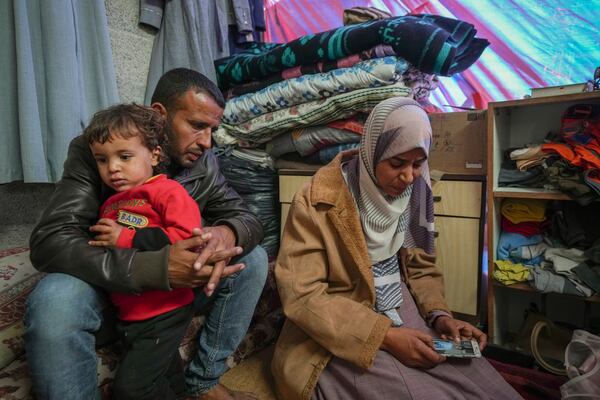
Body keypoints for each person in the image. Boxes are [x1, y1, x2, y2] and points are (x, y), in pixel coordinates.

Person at [25, 68, 268, 400]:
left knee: (251, 258)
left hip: (172, 295)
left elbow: (245, 217)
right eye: (197, 126)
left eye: (213, 129)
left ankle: (202, 382)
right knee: (55, 300)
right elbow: (50, 241)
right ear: (160, 115)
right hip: (111, 283)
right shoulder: (97, 148)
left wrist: (227, 231)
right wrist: (156, 267)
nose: (208, 141)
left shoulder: (203, 162)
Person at [272, 97, 523, 400]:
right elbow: (303, 296)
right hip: (340, 320)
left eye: (418, 164)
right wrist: (384, 337)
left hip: (397, 301)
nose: (408, 176)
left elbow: (420, 265)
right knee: (412, 389)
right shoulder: (316, 200)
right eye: (396, 163)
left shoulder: (415, 191)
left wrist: (441, 317)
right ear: (372, 151)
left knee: (476, 379)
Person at [84, 103, 201, 399]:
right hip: (130, 312)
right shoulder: (111, 202)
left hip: (163, 310)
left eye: (124, 157)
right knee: (168, 377)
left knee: (131, 389)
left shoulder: (167, 191)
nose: (112, 168)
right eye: (102, 160)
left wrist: (127, 238)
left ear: (155, 155)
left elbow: (186, 238)